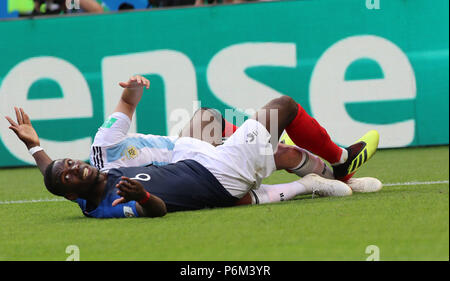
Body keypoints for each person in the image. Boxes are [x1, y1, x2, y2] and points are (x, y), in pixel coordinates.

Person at [7, 95, 358, 218]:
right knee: (281, 109)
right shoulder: (109, 198)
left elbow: (57, 177)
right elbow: (152, 210)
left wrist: (35, 148)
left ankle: (286, 163)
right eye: (70, 174)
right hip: (217, 173)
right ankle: (337, 164)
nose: (75, 167)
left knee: (206, 119)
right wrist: (141, 195)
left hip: (190, 157)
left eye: (71, 163)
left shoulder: (92, 181)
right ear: (73, 192)